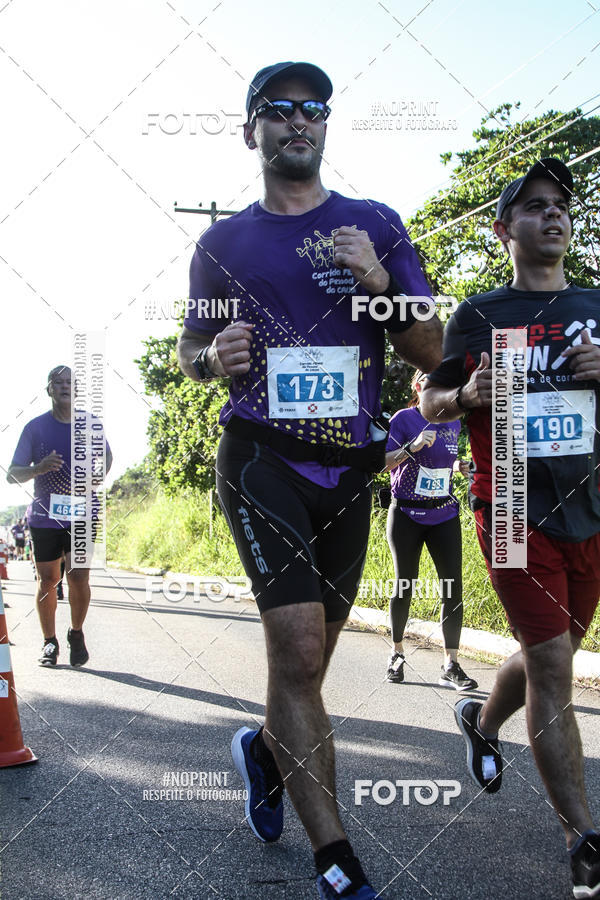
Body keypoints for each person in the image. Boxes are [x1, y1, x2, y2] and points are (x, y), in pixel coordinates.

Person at [177, 61, 442, 899]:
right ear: (250, 128)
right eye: (280, 109)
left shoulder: (377, 225)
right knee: (294, 652)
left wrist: (381, 287)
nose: (300, 121)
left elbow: (436, 358)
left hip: (350, 473)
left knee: (310, 669)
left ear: (326, 125)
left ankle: (263, 748)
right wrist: (207, 358)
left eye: (314, 108)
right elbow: (190, 353)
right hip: (261, 460)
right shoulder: (221, 246)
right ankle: (338, 860)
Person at [420, 158, 600, 898]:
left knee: (546, 654)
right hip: (515, 506)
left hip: (592, 507)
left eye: (562, 205)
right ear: (505, 229)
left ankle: (482, 723)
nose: (553, 215)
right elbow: (428, 404)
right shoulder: (479, 314)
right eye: (533, 207)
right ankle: (583, 840)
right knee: (553, 666)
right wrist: (466, 391)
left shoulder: (597, 302)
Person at [7, 366, 112, 668]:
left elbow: (107, 457)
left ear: (77, 390)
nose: (65, 386)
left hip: (82, 513)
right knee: (49, 580)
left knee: (78, 577)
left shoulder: (91, 424)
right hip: (44, 516)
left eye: (70, 382)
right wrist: (38, 468)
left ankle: (75, 634)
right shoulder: (35, 428)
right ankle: (49, 642)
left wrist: (96, 477)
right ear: (49, 389)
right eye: (58, 382)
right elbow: (12, 475)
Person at [384, 370, 477, 690]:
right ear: (417, 386)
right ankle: (396, 654)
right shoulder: (403, 419)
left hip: (444, 513)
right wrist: (411, 447)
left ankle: (451, 664)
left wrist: (458, 466)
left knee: (452, 587)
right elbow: (383, 464)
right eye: (426, 379)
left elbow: (444, 460)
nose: (432, 385)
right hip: (407, 513)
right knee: (404, 585)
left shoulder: (453, 421)